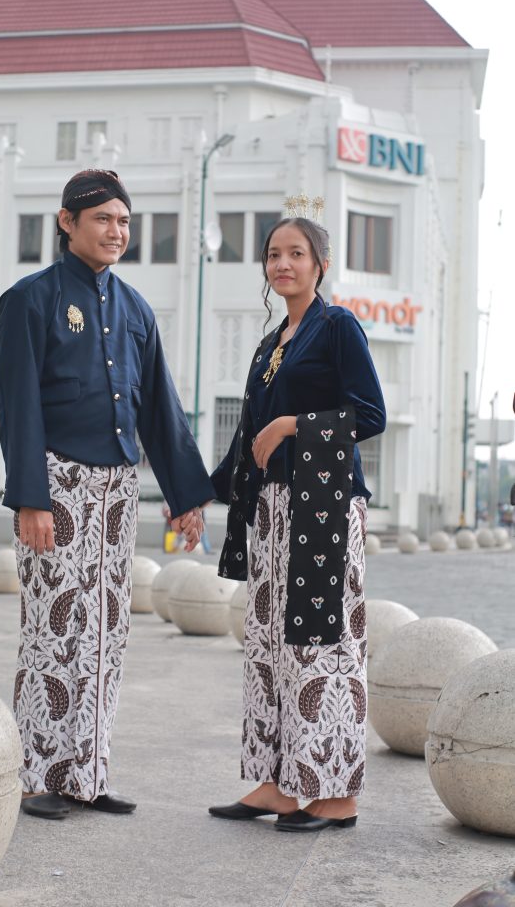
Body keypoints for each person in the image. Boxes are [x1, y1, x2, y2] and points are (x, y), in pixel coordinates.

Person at [0, 168, 212, 820]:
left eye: (123, 221)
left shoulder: (135, 308)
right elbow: (19, 405)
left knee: (106, 631)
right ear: (67, 223)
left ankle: (87, 774)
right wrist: (31, 497)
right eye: (102, 219)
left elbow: (160, 409)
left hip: (118, 488)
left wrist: (185, 495)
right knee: (52, 628)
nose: (116, 231)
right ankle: (36, 775)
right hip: (56, 484)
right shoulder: (30, 299)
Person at [208, 214, 386, 832]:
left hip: (325, 508)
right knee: (269, 648)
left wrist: (292, 426)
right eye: (273, 254)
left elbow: (370, 414)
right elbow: (246, 438)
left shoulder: (337, 327)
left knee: (322, 649)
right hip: (274, 509)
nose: (282, 264)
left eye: (296, 254)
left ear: (320, 265)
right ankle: (279, 785)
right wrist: (194, 493)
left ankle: (335, 795)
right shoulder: (272, 343)